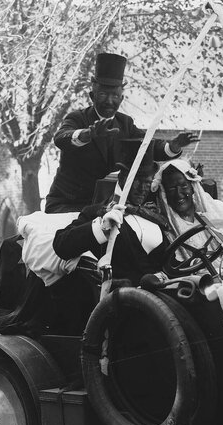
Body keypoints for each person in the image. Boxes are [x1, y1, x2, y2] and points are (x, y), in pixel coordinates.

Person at [44, 52, 201, 213]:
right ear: (92, 96)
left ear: (121, 99)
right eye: (103, 94)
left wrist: (173, 146)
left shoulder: (125, 124)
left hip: (106, 206)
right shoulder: (77, 118)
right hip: (67, 205)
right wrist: (87, 135)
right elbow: (61, 138)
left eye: (115, 96)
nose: (109, 101)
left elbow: (147, 146)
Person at [52, 145, 169, 286]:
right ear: (122, 179)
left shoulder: (155, 217)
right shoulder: (98, 212)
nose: (142, 188)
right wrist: (101, 228)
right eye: (137, 180)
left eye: (147, 182)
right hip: (121, 298)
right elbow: (61, 246)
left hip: (162, 298)